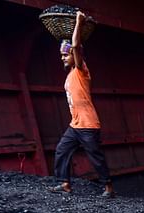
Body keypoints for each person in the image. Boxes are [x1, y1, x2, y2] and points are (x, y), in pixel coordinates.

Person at [51, 10, 114, 198]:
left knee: (95, 157)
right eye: (62, 55)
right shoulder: (70, 75)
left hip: (88, 125)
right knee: (62, 150)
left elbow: (77, 45)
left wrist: (78, 22)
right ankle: (64, 183)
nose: (63, 58)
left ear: (75, 56)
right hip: (75, 125)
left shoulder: (81, 70)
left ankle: (109, 187)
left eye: (66, 55)